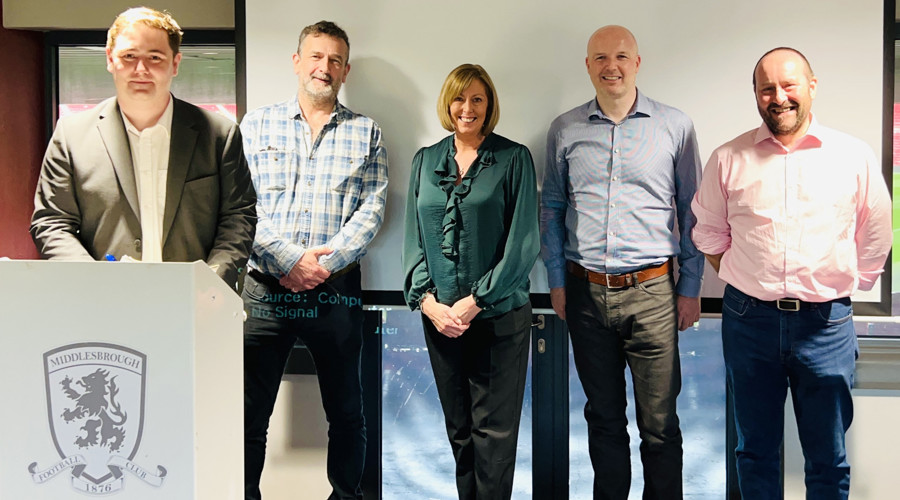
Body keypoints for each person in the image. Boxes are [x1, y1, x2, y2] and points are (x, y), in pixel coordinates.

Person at [691, 47, 892, 499]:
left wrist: (839, 283)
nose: (778, 97)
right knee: (755, 451)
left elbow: (876, 235)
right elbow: (707, 234)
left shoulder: (853, 156)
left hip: (826, 325)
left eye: (789, 85)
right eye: (767, 89)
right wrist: (747, 278)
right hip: (749, 322)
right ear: (756, 96)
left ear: (812, 87)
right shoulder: (727, 158)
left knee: (827, 459)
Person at [540, 25, 703, 499]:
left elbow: (693, 210)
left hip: (653, 293)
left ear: (637, 62)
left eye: (621, 56)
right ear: (587, 65)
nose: (611, 66)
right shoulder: (565, 128)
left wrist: (690, 287)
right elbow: (551, 207)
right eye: (600, 58)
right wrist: (556, 280)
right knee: (604, 420)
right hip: (585, 292)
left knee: (659, 426)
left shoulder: (675, 126)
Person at [240, 20, 388, 500]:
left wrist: (321, 265)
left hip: (334, 291)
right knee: (248, 413)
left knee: (347, 412)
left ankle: (344, 497)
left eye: (335, 60)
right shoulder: (255, 125)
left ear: (346, 70)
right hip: (263, 291)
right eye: (316, 57)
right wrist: (289, 260)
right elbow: (241, 206)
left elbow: (373, 208)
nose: (324, 67)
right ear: (297, 61)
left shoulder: (366, 132)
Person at [30, 7, 256, 288]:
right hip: (101, 301)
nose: (141, 69)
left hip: (195, 302)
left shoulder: (220, 134)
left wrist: (209, 282)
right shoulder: (71, 135)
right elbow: (51, 223)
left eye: (155, 57)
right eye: (129, 56)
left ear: (175, 63)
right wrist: (92, 281)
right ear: (110, 59)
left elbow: (238, 217)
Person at [403, 63, 539, 500]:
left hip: (498, 318)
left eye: (477, 99)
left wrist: (475, 301)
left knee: (493, 438)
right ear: (447, 103)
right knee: (460, 433)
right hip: (440, 320)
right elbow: (414, 240)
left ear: (489, 105)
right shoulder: (425, 161)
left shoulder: (513, 158)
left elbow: (523, 245)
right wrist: (429, 303)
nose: (467, 108)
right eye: (460, 98)